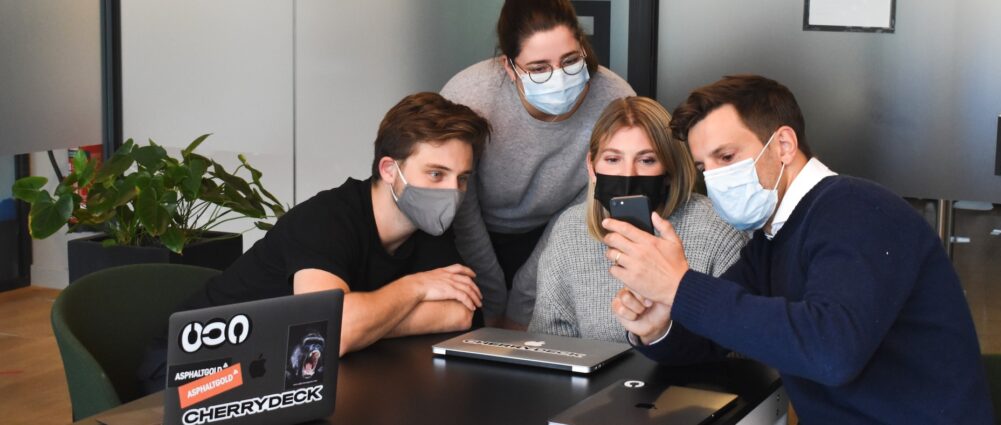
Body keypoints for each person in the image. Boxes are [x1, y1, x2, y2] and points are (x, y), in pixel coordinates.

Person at [604, 75, 993, 423]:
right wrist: (659, 328)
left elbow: (831, 352)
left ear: (784, 145)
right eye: (705, 167)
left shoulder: (857, 210)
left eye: (727, 157)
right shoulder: (772, 237)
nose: (717, 178)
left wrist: (679, 286)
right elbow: (712, 335)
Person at [138, 92, 490, 393]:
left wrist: (363, 325)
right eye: (435, 173)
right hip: (198, 369)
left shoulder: (429, 227)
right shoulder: (327, 218)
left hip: (281, 372)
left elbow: (460, 313)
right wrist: (415, 289)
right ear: (388, 170)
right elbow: (326, 332)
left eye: (461, 179)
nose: (451, 192)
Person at [441, 0, 635, 328]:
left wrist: (524, 297)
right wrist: (493, 294)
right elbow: (459, 202)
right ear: (508, 65)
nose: (558, 77)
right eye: (539, 67)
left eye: (571, 60)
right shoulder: (469, 98)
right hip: (473, 230)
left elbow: (587, 204)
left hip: (560, 230)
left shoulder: (614, 102)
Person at [528, 97, 746, 342]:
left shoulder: (717, 229)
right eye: (612, 159)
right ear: (592, 166)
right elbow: (548, 341)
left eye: (646, 160)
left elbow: (740, 349)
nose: (628, 174)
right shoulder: (570, 229)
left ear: (669, 169)